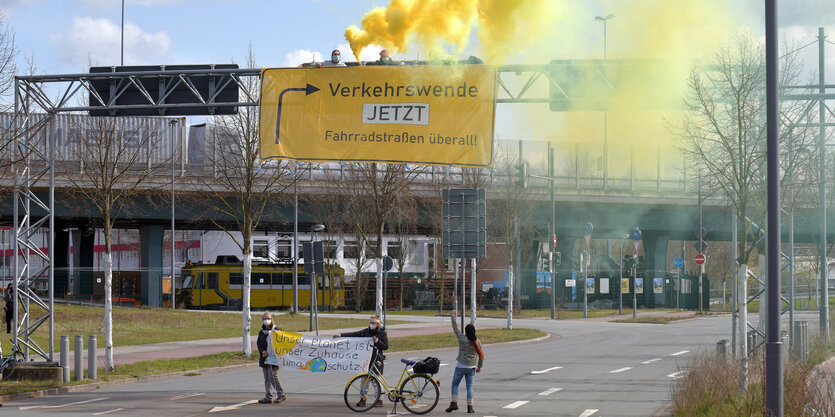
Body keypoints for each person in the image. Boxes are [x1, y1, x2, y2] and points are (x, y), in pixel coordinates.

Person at [335, 315, 388, 407]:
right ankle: (363, 399)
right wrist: (340, 335)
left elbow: (385, 346)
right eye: (370, 322)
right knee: (364, 380)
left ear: (377, 324)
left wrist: (377, 341)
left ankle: (379, 400)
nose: (371, 324)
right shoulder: (366, 332)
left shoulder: (382, 333)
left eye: (373, 323)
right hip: (366, 359)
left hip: (376, 360)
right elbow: (354, 334)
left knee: (377, 381)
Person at [445, 310, 484, 414]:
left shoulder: (462, 338)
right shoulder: (477, 342)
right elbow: (481, 355)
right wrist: (479, 367)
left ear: (466, 332)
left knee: (455, 385)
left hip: (460, 366)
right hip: (471, 367)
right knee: (469, 387)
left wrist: (453, 316)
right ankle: (470, 407)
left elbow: (455, 328)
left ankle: (453, 403)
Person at [257, 312, 286, 404]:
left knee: (272, 376)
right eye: (265, 319)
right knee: (266, 378)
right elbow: (259, 344)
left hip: (274, 358)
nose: (266, 320)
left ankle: (281, 394)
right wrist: (262, 351)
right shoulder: (261, 332)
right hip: (264, 358)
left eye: (268, 318)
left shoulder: (276, 330)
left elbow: (282, 342)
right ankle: (268, 396)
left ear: (272, 319)